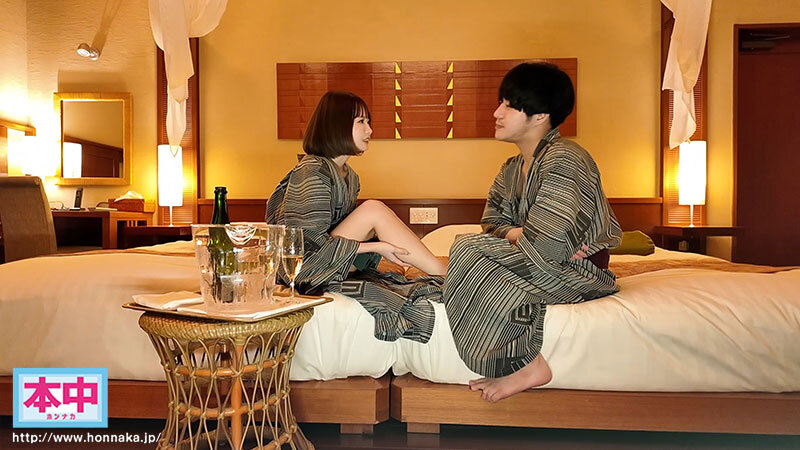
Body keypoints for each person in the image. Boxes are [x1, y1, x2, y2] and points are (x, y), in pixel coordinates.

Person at [443, 62, 622, 402]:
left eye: (510, 105)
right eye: (500, 102)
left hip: (580, 273)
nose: (497, 112)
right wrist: (520, 234)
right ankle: (512, 361)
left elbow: (549, 245)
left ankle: (529, 364)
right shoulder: (511, 169)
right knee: (467, 250)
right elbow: (491, 223)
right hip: (545, 262)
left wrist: (527, 237)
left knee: (467, 249)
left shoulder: (566, 157)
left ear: (540, 115)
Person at [266, 90, 447, 342]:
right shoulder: (312, 170)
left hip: (331, 259)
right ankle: (445, 273)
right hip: (302, 268)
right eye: (361, 121)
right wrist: (377, 246)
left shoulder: (350, 176)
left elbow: (345, 230)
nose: (369, 130)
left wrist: (375, 245)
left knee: (374, 213)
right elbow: (304, 242)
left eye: (368, 122)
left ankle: (442, 272)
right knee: (373, 209)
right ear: (337, 124)